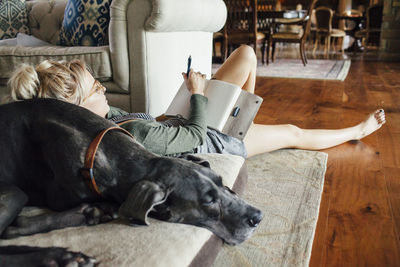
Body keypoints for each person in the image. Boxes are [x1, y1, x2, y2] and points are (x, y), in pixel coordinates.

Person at [6, 45, 385, 158]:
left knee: (246, 54)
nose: (104, 89)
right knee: (292, 132)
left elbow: (154, 123)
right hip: (211, 138)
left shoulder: (109, 121)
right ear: (76, 110)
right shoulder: (129, 134)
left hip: (181, 120)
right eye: (97, 90)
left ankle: (246, 112)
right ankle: (359, 128)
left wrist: (181, 100)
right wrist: (198, 96)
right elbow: (193, 137)